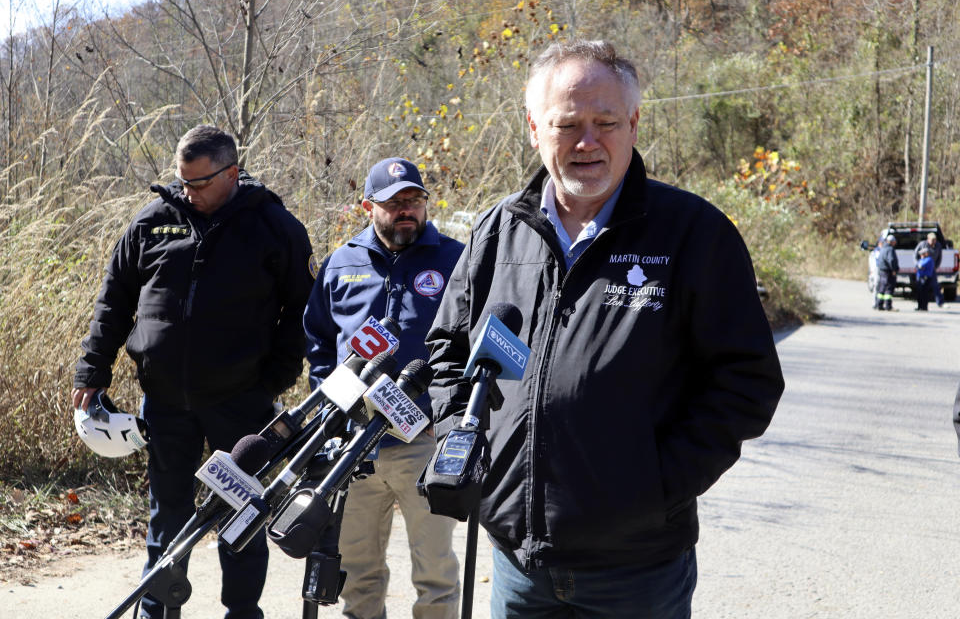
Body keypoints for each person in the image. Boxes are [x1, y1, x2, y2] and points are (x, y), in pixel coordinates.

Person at [425, 40, 785, 618]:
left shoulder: (693, 233)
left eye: (606, 122)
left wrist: (653, 490)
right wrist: (464, 445)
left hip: (637, 572)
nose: (588, 142)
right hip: (519, 568)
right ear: (534, 128)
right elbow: (446, 351)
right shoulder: (498, 232)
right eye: (568, 124)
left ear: (635, 123)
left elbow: (746, 384)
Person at [72, 125, 315, 619]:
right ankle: (158, 608)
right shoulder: (153, 222)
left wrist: (274, 379)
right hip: (166, 402)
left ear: (231, 172)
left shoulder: (274, 226)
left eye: (199, 183)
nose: (188, 192)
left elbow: (302, 311)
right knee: (168, 512)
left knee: (241, 512)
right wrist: (91, 368)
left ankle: (242, 611)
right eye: (182, 182)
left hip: (241, 402)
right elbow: (113, 301)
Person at [303, 157, 463, 619]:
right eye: (393, 203)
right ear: (368, 206)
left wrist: (450, 418)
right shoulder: (340, 263)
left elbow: (473, 340)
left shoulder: (456, 260)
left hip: (424, 440)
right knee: (358, 573)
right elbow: (317, 340)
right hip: (354, 446)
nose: (405, 211)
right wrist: (331, 405)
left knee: (435, 574)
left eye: (413, 200)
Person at [914, 231, 943, 307]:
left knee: (935, 286)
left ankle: (939, 302)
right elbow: (915, 254)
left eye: (935, 240)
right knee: (921, 288)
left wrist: (936, 267)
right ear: (928, 239)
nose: (934, 241)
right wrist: (918, 264)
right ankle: (921, 305)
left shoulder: (938, 246)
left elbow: (940, 258)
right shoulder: (922, 244)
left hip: (932, 269)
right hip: (922, 270)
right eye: (932, 240)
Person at [875, 234, 899, 311]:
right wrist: (894, 270)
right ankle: (888, 306)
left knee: (881, 288)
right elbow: (891, 260)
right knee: (889, 288)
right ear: (891, 242)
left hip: (882, 271)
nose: (895, 243)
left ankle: (879, 305)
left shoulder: (883, 248)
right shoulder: (890, 249)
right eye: (894, 242)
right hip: (888, 272)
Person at [915, 246, 935, 311]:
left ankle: (924, 307)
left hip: (925, 278)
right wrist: (919, 266)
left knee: (924, 292)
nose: (921, 255)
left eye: (922, 254)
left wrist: (919, 266)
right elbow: (917, 266)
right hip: (920, 277)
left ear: (926, 253)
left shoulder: (929, 259)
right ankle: (919, 306)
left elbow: (921, 266)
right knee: (919, 292)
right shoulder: (921, 259)